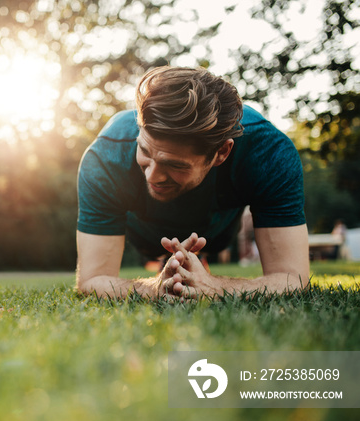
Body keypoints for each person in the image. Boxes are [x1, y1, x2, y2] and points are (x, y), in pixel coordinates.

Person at [76, 66, 309, 300]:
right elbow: (91, 280)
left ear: (222, 152)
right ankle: (170, 263)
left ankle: (197, 259)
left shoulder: (269, 153)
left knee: (211, 245)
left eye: (175, 165)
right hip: (146, 235)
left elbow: (293, 278)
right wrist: (154, 288)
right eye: (145, 150)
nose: (152, 176)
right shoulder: (105, 156)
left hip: (216, 232)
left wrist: (212, 286)